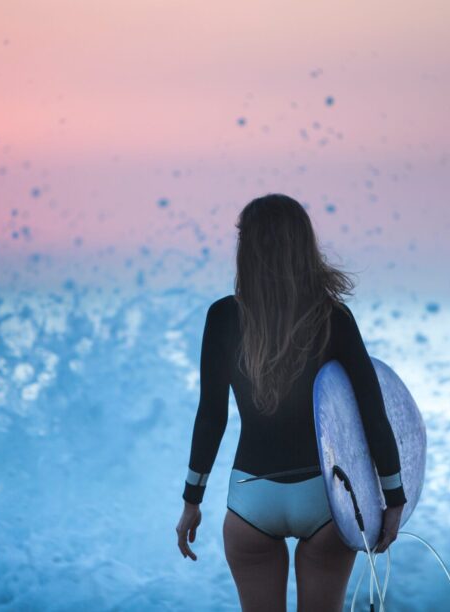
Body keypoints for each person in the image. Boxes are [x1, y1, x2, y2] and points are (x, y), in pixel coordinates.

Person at [174, 193, 407, 611]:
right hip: (326, 500)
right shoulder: (332, 318)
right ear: (303, 246)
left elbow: (211, 416)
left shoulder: (223, 317)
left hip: (250, 497)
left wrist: (192, 501)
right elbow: (373, 412)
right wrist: (394, 497)